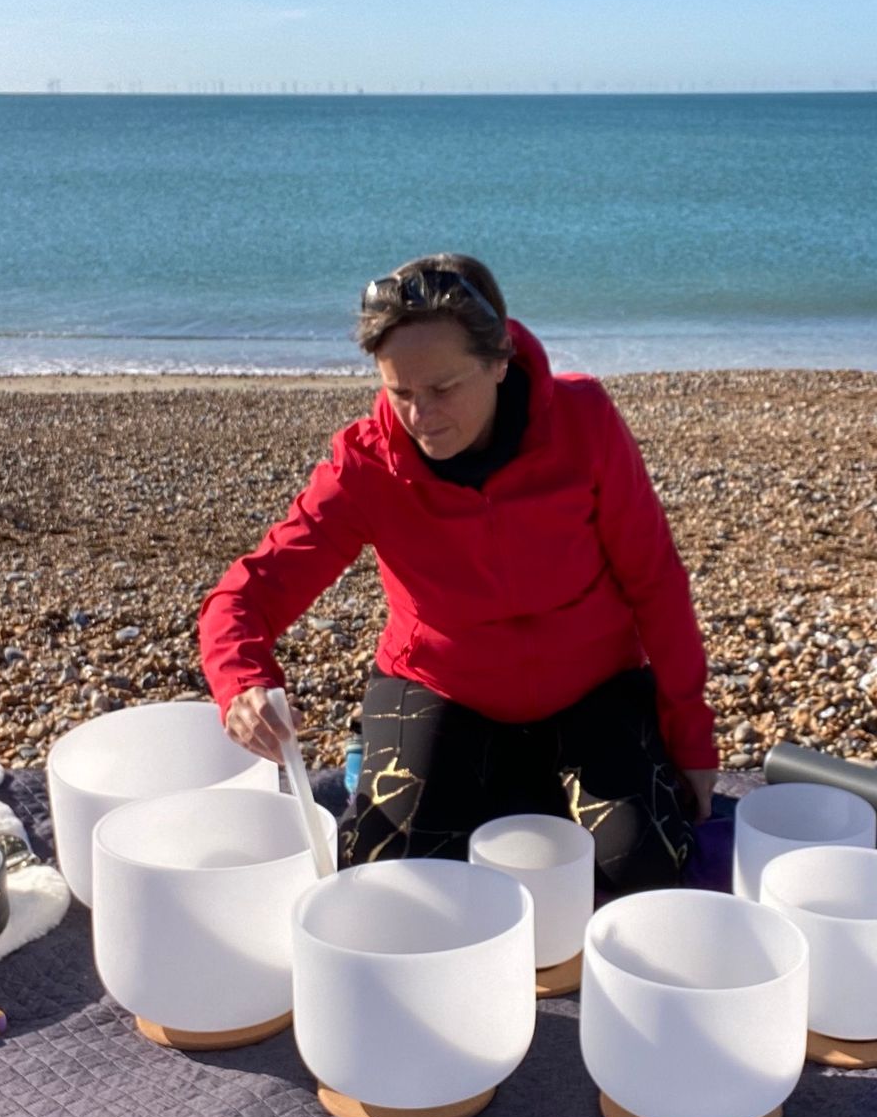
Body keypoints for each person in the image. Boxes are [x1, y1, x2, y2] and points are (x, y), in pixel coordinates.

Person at [198, 253, 718, 893]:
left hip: (592, 685)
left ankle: (511, 781)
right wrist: (242, 683)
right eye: (400, 391)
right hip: (442, 686)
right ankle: (493, 777)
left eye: (443, 388)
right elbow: (246, 594)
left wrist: (693, 742)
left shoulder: (583, 422)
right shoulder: (366, 466)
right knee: (388, 873)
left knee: (642, 865)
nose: (422, 417)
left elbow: (655, 580)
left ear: (500, 361)